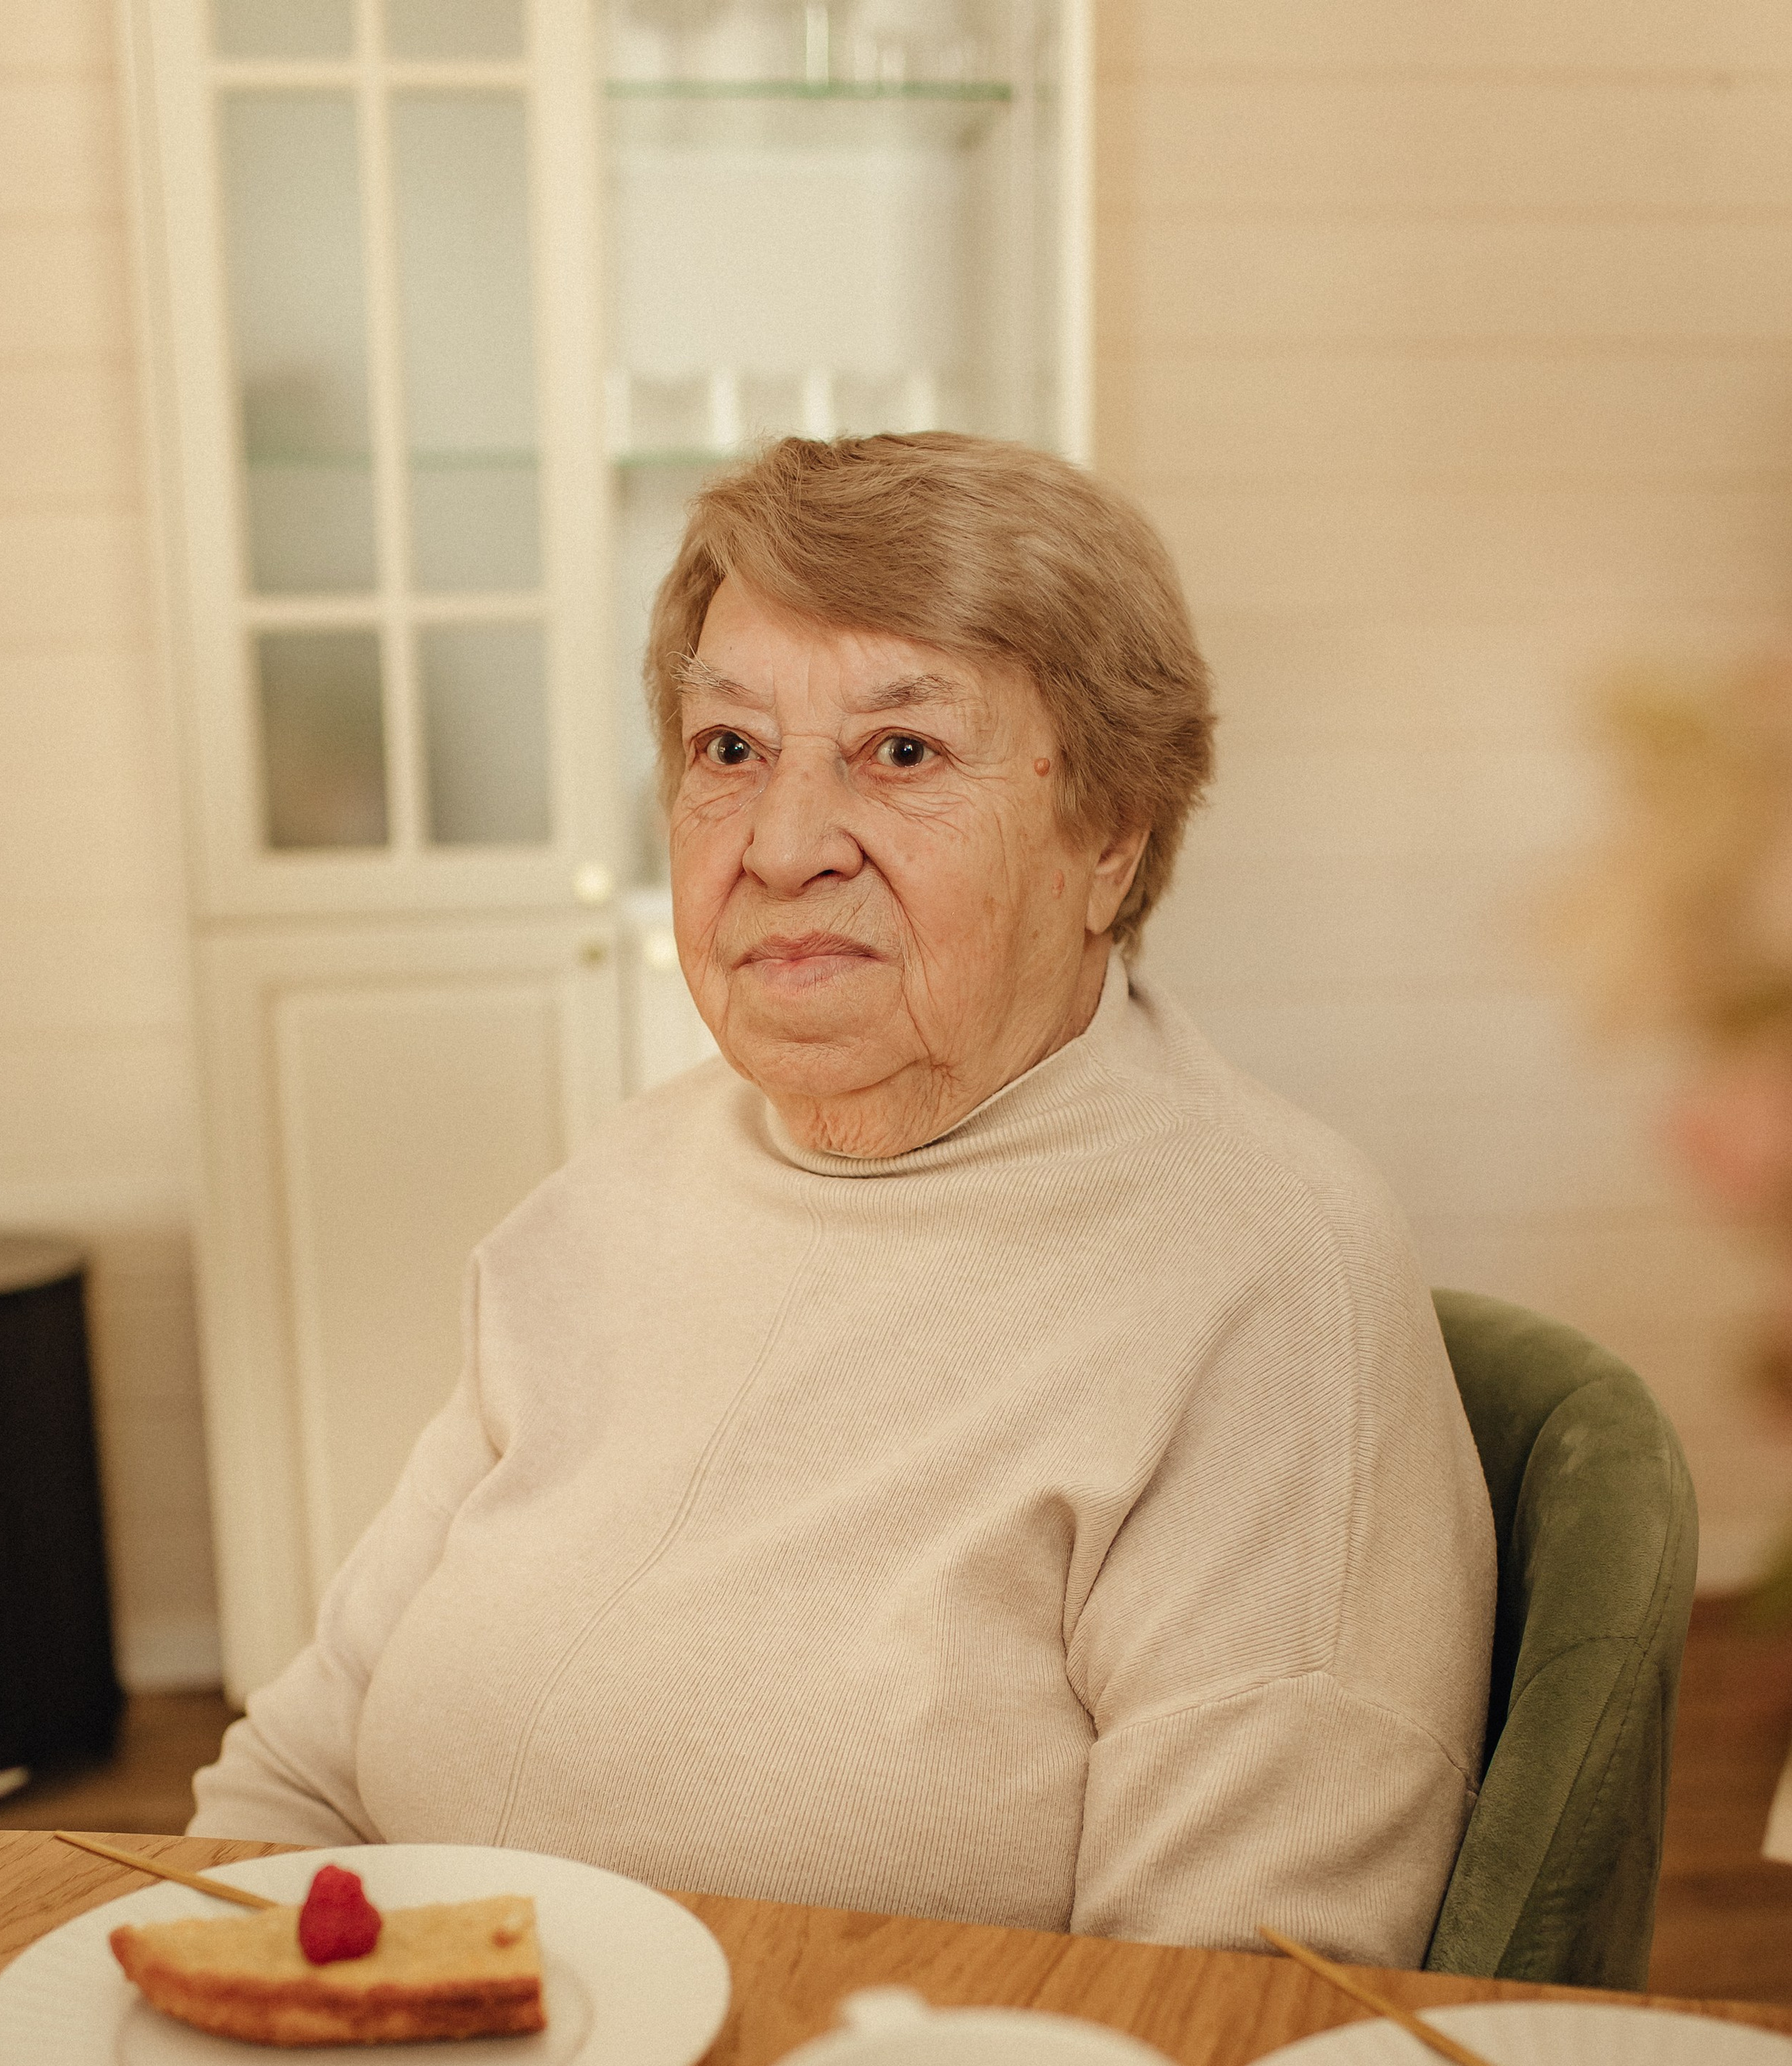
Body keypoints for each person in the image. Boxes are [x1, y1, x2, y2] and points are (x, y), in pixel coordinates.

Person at [192, 432, 1494, 1967]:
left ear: (1109, 837)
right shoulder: (624, 1181)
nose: (784, 847)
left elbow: (1207, 2026)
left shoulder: (1266, 1281)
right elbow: (297, 1774)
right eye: (729, 751)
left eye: (901, 754)